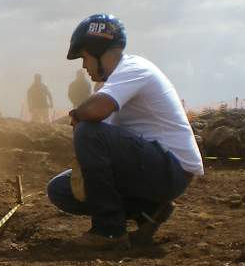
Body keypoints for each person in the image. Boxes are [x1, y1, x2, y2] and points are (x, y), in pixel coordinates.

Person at [46, 14, 204, 249]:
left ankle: (109, 231)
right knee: (60, 189)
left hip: (171, 168)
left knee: (88, 132)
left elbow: (95, 114)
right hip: (154, 167)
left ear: (98, 50)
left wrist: (78, 116)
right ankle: (148, 211)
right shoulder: (112, 84)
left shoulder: (133, 68)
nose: (83, 66)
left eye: (85, 57)